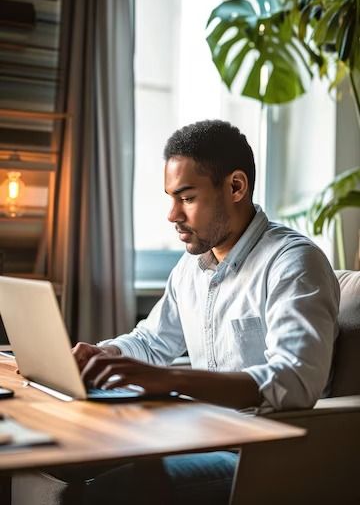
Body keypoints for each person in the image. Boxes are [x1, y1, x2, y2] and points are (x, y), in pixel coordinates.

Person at [73, 119, 339, 504]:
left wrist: (171, 381)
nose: (172, 214)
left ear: (235, 187)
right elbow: (152, 341)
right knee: (69, 459)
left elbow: (294, 381)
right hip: (199, 433)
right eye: (170, 197)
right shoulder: (191, 267)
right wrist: (104, 355)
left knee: (115, 488)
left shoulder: (293, 263)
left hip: (259, 451)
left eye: (187, 197)